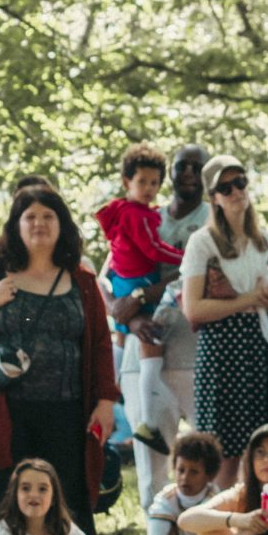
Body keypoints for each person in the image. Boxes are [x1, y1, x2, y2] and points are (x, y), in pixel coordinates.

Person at [0, 185, 121, 535]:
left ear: (62, 225)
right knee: (11, 493)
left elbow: (101, 344)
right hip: (6, 412)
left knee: (68, 493)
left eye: (48, 216)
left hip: (69, 411)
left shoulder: (82, 280)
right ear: (15, 226)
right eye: (30, 216)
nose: (39, 224)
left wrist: (105, 402)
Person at [179, 156, 268, 485]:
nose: (236, 192)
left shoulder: (265, 241)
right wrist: (251, 298)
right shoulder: (203, 241)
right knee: (223, 453)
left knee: (263, 448)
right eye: (225, 188)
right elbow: (193, 309)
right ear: (214, 197)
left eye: (240, 182)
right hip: (221, 348)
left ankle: (261, 510)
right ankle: (222, 511)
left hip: (259, 343)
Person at [114, 145, 212, 495]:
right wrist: (128, 318)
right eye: (182, 166)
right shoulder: (142, 215)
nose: (188, 174)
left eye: (197, 168)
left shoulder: (214, 220)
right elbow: (108, 278)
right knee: (151, 466)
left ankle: (206, 528)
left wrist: (142, 296)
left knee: (210, 460)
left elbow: (200, 272)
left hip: (197, 357)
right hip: (141, 360)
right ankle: (157, 529)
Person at [94, 142, 190, 449]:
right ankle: (148, 423)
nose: (149, 189)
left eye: (154, 183)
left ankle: (109, 394)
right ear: (127, 182)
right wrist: (185, 257)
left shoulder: (124, 211)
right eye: (142, 182)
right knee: (151, 348)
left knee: (125, 342)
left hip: (124, 280)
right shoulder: (137, 215)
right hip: (137, 280)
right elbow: (153, 249)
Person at [147, 430, 224, 535]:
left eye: (194, 472)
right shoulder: (166, 499)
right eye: (181, 470)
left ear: (209, 475)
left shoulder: (216, 499)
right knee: (163, 528)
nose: (185, 477)